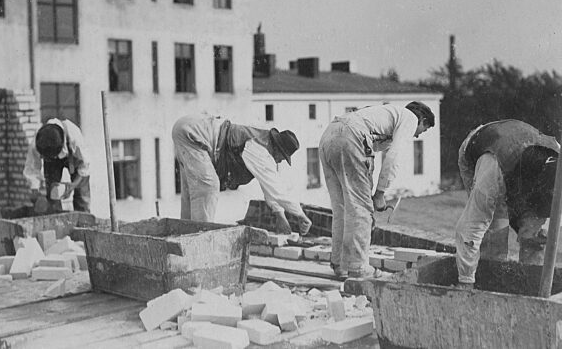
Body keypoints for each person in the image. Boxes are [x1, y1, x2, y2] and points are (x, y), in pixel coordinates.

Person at [319, 102, 435, 279]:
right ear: (422, 120)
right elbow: (394, 156)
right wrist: (380, 194)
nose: (417, 135)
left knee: (341, 208)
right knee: (361, 209)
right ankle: (358, 267)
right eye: (422, 130)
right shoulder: (410, 118)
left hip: (329, 135)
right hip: (352, 136)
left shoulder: (384, 113)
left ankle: (339, 264)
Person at [455, 119, 559, 288]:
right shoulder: (492, 172)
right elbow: (469, 229)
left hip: (526, 167)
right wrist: (465, 281)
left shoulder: (556, 162)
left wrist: (539, 230)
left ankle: (531, 289)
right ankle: (489, 287)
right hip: (488, 149)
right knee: (494, 235)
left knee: (535, 240)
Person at [172, 113, 312, 235]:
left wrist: (279, 213)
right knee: (207, 187)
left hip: (191, 128)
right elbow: (275, 188)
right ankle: (199, 241)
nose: (281, 161)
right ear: (277, 149)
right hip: (193, 134)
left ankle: (184, 235)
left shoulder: (263, 143)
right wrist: (300, 214)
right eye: (283, 157)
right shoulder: (260, 150)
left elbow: (268, 184)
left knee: (191, 192)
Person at [24, 118, 90, 213]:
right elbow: (31, 169)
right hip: (53, 161)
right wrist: (36, 193)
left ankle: (84, 220)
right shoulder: (38, 142)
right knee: (53, 194)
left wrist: (73, 185)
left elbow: (85, 165)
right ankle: (56, 218)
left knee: (82, 197)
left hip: (75, 159)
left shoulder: (74, 137)